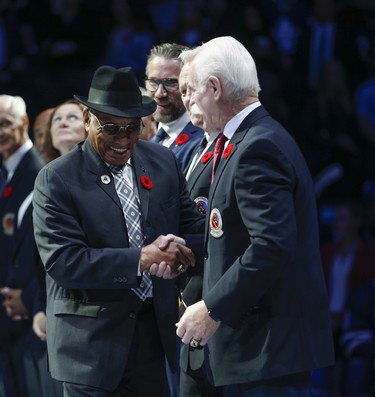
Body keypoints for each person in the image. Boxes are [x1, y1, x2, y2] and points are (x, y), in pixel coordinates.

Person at [175, 36, 335, 397]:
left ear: (214, 87)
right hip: (255, 351)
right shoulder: (246, 140)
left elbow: (271, 246)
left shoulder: (257, 146)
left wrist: (212, 308)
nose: (189, 103)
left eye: (193, 90)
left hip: (266, 351)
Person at [32, 65, 205, 397]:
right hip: (89, 350)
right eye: (111, 127)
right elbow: (65, 262)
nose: (124, 140)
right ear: (87, 119)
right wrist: (141, 259)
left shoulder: (162, 161)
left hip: (153, 336)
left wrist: (179, 250)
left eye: (133, 128)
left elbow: (192, 229)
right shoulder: (56, 179)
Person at [178, 60, 220, 397]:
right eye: (184, 90)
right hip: (190, 314)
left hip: (219, 316)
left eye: (192, 87)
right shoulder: (194, 149)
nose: (187, 97)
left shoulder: (239, 149)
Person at [0, 94, 45, 396]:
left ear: (24, 123)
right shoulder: (4, 174)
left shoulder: (41, 172)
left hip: (32, 315)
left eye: (5, 123)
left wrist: (30, 297)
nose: (0, 132)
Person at [145, 42, 204, 171]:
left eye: (171, 83)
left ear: (190, 85)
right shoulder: (145, 142)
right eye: (154, 82)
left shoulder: (203, 143)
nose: (160, 93)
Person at [43, 98, 87, 163]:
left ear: (88, 125)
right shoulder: (45, 172)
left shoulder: (103, 171)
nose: (63, 123)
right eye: (57, 119)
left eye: (72, 117)